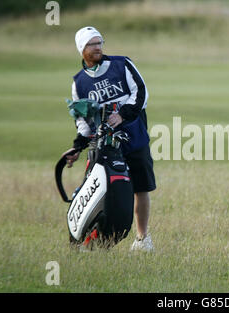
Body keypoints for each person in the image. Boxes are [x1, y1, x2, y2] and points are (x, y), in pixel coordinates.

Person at [64, 26, 156, 252]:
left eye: (99, 43)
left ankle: (142, 239)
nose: (97, 48)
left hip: (134, 139)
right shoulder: (79, 83)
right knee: (103, 192)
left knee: (140, 189)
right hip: (103, 148)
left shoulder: (121, 64)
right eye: (91, 44)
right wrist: (77, 147)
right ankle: (96, 240)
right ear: (81, 50)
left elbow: (141, 93)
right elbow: (84, 122)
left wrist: (122, 114)